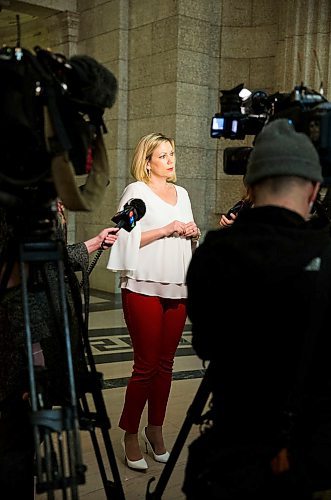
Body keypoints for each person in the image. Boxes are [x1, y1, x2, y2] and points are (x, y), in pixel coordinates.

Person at [183, 119, 331, 499]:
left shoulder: (212, 253)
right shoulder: (327, 257)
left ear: (249, 187)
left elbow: (205, 345)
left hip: (233, 443)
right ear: (314, 190)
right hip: (306, 456)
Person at [0, 200, 119, 499]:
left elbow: (53, 258)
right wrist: (34, 354)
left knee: (32, 428)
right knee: (18, 434)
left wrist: (93, 243)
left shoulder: (42, 196)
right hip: (27, 340)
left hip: (51, 333)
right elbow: (13, 283)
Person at [107, 132, 200, 471]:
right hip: (143, 285)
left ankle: (155, 429)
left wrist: (192, 231)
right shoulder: (137, 191)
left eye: (172, 154)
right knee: (145, 366)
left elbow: (188, 234)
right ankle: (130, 433)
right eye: (163, 156)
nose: (170, 160)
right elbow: (123, 236)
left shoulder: (183, 193)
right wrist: (166, 229)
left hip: (177, 285)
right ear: (147, 161)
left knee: (166, 365)